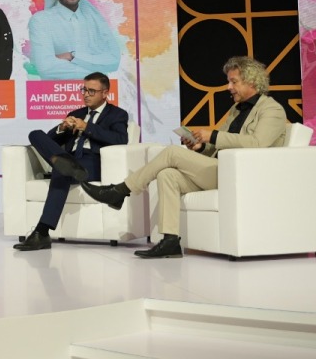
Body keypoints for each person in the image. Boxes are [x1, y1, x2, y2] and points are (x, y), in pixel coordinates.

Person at [80, 56, 286, 258]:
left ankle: (120, 190)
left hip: (241, 175)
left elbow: (258, 143)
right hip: (221, 169)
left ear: (251, 81)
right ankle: (170, 241)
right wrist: (200, 146)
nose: (228, 87)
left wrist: (213, 135)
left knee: (171, 152)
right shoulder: (236, 110)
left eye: (234, 82)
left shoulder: (272, 109)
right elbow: (219, 146)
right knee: (167, 175)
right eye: (228, 82)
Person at [14, 72, 128, 251]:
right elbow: (50, 142)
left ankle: (42, 232)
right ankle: (65, 162)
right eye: (84, 90)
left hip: (92, 161)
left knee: (61, 171)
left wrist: (87, 127)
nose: (86, 95)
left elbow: (120, 139)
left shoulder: (117, 114)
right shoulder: (76, 113)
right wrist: (62, 127)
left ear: (105, 93)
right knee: (35, 134)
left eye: (91, 91)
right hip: (71, 156)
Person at [28, 0, 121, 80]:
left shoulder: (94, 20)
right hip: (55, 91)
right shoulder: (41, 21)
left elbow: (114, 62)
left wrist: (72, 56)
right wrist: (96, 67)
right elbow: (46, 69)